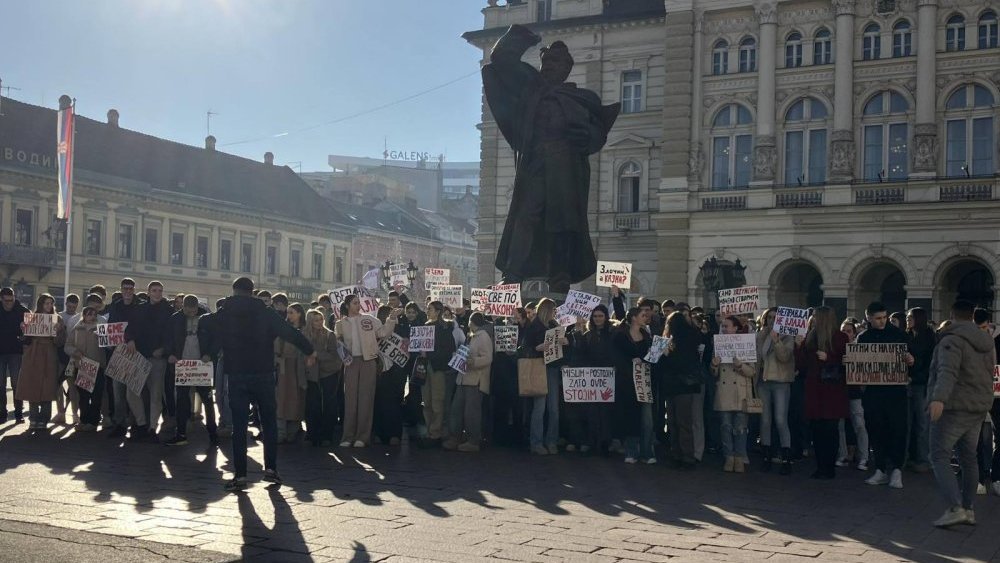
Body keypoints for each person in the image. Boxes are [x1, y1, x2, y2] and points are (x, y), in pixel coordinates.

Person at [482, 24, 620, 292]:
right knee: (526, 216)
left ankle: (560, 277)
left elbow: (597, 131)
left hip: (566, 166)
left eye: (556, 62)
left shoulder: (583, 98)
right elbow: (500, 61)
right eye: (546, 61)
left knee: (563, 222)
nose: (549, 66)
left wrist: (588, 136)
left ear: (567, 68)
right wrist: (523, 37)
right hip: (535, 162)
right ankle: (513, 274)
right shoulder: (530, 87)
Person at [206, 277, 315, 491]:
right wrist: (309, 349)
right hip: (263, 373)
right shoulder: (265, 312)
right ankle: (271, 470)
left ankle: (240, 475)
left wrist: (208, 353)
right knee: (269, 422)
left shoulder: (226, 311)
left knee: (239, 425)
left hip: (236, 373)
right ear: (252, 292)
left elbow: (208, 327)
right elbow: (289, 332)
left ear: (234, 291)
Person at [928, 300, 996, 527]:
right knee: (969, 458)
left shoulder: (952, 340)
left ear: (952, 315)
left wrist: (938, 398)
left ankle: (955, 507)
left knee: (939, 454)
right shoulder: (988, 342)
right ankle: (968, 508)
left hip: (955, 406)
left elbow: (947, 371)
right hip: (978, 406)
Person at [857, 302, 915, 490]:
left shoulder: (899, 335)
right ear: (869, 318)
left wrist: (911, 360)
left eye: (884, 317)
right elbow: (858, 365)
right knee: (876, 429)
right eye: (877, 318)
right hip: (873, 392)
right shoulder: (863, 337)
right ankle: (880, 468)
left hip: (896, 392)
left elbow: (915, 358)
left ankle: (897, 470)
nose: (882, 322)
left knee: (898, 429)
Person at [334, 295, 400, 448]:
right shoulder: (340, 323)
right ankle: (347, 436)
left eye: (359, 303)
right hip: (350, 363)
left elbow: (383, 333)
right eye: (355, 303)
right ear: (348, 305)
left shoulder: (370, 319)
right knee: (350, 399)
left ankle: (362, 437)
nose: (358, 306)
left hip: (368, 361)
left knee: (366, 399)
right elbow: (337, 343)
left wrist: (391, 319)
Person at [796, 306, 849, 479]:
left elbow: (848, 363)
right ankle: (820, 466)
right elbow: (802, 364)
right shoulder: (811, 337)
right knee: (817, 429)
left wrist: (830, 359)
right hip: (814, 388)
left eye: (816, 316)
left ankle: (829, 467)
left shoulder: (840, 338)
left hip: (832, 389)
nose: (813, 319)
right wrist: (798, 347)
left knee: (830, 429)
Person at [164, 295, 216, 447]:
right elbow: (168, 338)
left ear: (197, 307)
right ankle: (180, 433)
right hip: (183, 365)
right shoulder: (175, 319)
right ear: (183, 307)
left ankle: (213, 433)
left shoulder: (206, 318)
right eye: (188, 311)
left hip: (201, 365)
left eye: (193, 311)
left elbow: (215, 338)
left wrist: (210, 354)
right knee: (181, 400)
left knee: (207, 400)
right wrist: (170, 354)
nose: (191, 313)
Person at [657, 311, 703, 469]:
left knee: (681, 422)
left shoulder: (686, 339)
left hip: (681, 384)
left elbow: (684, 362)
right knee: (674, 421)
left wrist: (667, 355)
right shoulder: (669, 340)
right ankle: (677, 453)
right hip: (675, 385)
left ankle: (685, 456)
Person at [128, 281, 174, 437]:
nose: (157, 293)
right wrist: (130, 340)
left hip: (157, 358)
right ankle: (141, 423)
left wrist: (164, 349)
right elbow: (130, 329)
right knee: (132, 392)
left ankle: (153, 427)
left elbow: (171, 336)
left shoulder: (169, 311)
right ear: (148, 292)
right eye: (154, 290)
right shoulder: (139, 309)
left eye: (160, 290)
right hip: (139, 356)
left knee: (156, 394)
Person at [711, 316, 756, 473]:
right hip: (724, 392)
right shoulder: (717, 345)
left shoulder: (747, 344)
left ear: (736, 328)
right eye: (722, 326)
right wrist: (714, 365)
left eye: (727, 326)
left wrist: (740, 366)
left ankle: (739, 457)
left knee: (741, 428)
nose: (724, 329)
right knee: (725, 427)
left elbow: (752, 371)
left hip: (741, 392)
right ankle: (728, 457)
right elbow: (714, 373)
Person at [106, 278, 149, 440]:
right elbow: (112, 326)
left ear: (134, 289)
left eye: (131, 288)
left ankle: (139, 425)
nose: (128, 291)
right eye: (125, 288)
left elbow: (141, 328)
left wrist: (131, 338)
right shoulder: (115, 306)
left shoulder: (141, 306)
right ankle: (120, 424)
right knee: (118, 393)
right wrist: (108, 341)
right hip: (118, 353)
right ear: (121, 289)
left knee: (134, 392)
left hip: (136, 352)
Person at [756, 307, 797, 475]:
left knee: (780, 420)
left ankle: (786, 457)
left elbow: (784, 357)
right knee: (765, 420)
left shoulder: (788, 336)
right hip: (763, 381)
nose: (773, 320)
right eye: (770, 317)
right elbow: (758, 356)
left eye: (776, 317)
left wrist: (777, 341)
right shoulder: (761, 335)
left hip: (780, 381)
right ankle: (766, 456)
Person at [16, 294, 66, 430]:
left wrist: (58, 331)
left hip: (50, 354)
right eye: (46, 303)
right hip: (34, 353)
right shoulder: (32, 318)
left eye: (51, 303)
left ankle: (44, 418)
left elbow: (60, 342)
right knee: (32, 384)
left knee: (48, 386)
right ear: (40, 304)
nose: (49, 306)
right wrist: (23, 330)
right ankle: (33, 417)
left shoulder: (58, 319)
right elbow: (25, 339)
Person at [614, 307, 654, 464]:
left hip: (644, 380)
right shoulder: (621, 336)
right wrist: (629, 361)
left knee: (647, 418)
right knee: (631, 415)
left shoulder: (646, 336)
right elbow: (616, 356)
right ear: (633, 318)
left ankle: (647, 451)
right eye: (642, 315)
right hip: (628, 381)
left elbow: (651, 357)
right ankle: (631, 451)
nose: (646, 317)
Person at [526, 298, 566, 455]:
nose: (555, 313)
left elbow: (563, 342)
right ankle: (536, 442)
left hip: (553, 368)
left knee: (553, 408)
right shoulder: (534, 326)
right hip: (539, 367)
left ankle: (551, 440)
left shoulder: (554, 325)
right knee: (539, 407)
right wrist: (538, 348)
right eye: (553, 310)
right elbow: (526, 347)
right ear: (547, 310)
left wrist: (565, 341)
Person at [449, 312, 493, 452]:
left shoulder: (483, 336)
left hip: (475, 380)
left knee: (471, 412)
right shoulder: (470, 336)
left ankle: (473, 440)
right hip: (463, 378)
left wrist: (473, 361)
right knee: (457, 409)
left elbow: (488, 358)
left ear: (471, 322)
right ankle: (455, 437)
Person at [418, 300, 456, 448]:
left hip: (437, 368)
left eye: (430, 309)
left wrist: (432, 355)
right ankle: (429, 431)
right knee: (426, 401)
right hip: (425, 367)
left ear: (438, 311)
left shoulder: (445, 328)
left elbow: (449, 349)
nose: (428, 311)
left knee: (437, 401)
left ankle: (436, 433)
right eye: (428, 308)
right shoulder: (425, 327)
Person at [303, 308, 342, 447]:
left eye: (321, 319)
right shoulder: (304, 334)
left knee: (329, 404)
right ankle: (311, 433)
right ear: (309, 321)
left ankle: (327, 435)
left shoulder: (329, 334)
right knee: (312, 405)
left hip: (328, 372)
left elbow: (333, 355)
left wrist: (316, 354)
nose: (319, 322)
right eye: (315, 320)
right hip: (311, 374)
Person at [836, 318, 870, 472]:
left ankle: (864, 457)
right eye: (843, 330)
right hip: (840, 392)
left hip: (855, 392)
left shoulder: (859, 348)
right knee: (840, 425)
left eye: (848, 331)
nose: (845, 334)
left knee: (860, 424)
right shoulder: (836, 348)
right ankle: (842, 455)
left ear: (854, 334)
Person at [65, 305, 106, 431]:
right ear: (84, 315)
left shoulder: (101, 329)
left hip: (97, 366)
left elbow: (109, 346)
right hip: (82, 367)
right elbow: (67, 345)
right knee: (83, 396)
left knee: (96, 396)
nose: (92, 316)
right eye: (89, 314)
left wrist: (102, 337)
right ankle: (83, 420)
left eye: (94, 314)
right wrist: (75, 352)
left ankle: (93, 422)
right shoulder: (76, 329)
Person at [905, 307, 936, 473]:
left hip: (921, 384)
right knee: (907, 422)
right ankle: (908, 456)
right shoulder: (907, 335)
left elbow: (930, 364)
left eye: (911, 317)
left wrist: (914, 374)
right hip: (906, 383)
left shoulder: (929, 337)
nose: (908, 319)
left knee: (922, 424)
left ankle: (923, 459)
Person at [275, 304, 309, 444]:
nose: (289, 315)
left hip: (299, 368)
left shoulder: (306, 330)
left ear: (300, 314)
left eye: (292, 312)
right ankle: (281, 431)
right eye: (288, 312)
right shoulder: (283, 330)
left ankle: (293, 431)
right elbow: (276, 349)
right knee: (281, 399)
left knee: (297, 399)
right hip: (284, 368)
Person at [0, 287, 29, 424]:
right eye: (6, 301)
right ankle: (2, 413)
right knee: (0, 384)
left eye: (11, 300)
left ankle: (18, 413)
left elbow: (31, 331)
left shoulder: (22, 311)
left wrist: (25, 334)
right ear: (1, 299)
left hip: (16, 352)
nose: (9, 303)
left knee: (17, 383)